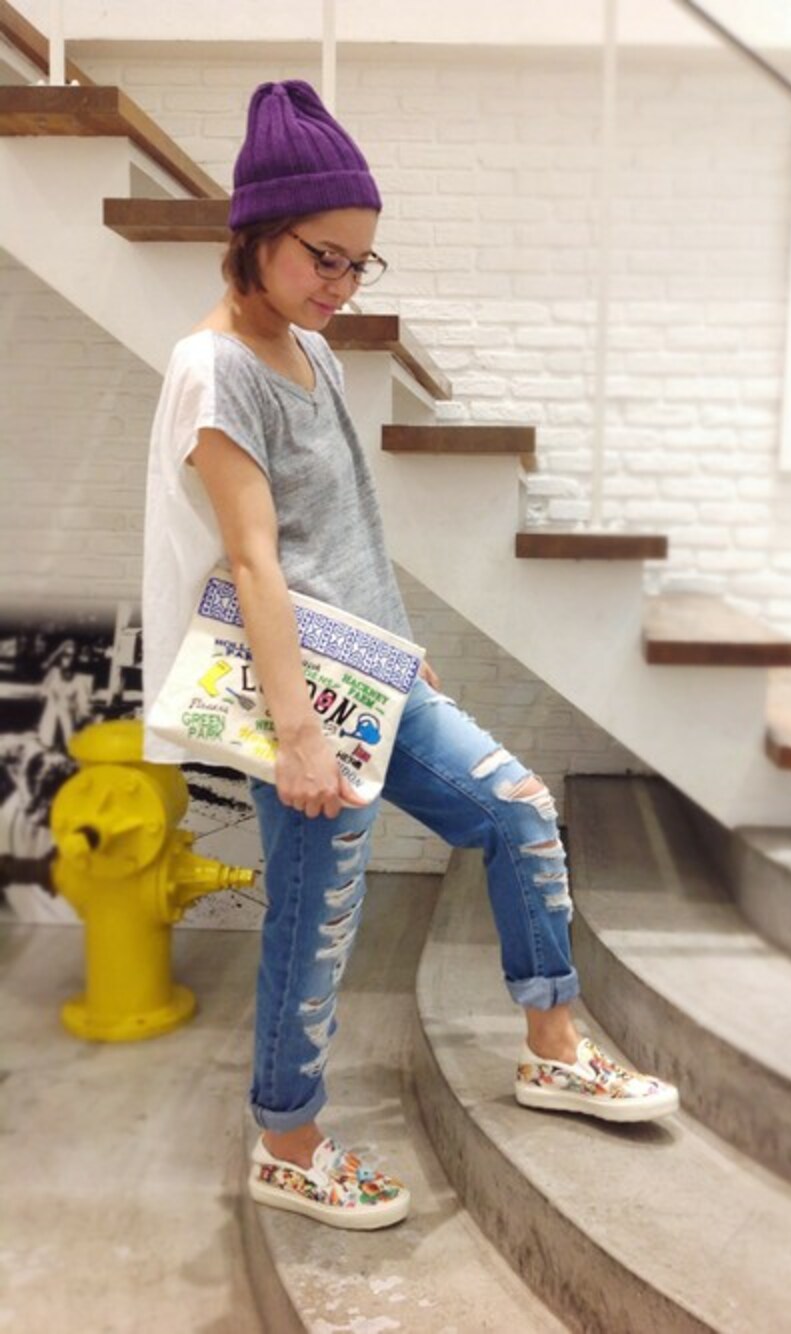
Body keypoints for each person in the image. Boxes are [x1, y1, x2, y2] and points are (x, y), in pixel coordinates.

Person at [142, 79, 678, 1231]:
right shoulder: (215, 368)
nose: (342, 284)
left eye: (358, 263)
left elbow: (343, 526)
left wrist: (393, 645)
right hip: (296, 692)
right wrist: (298, 734)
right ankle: (288, 1141)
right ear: (256, 233)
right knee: (316, 912)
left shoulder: (313, 353)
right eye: (322, 257)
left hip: (364, 666)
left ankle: (552, 1044)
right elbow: (255, 560)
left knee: (517, 810)